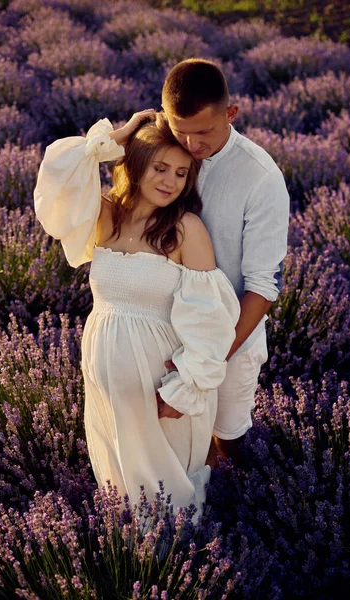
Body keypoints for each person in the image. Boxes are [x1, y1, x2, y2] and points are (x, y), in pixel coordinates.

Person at [34, 111, 240, 516]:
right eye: (160, 167)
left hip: (162, 387)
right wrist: (117, 137)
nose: (170, 181)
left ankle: (185, 572)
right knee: (122, 493)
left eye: (181, 173)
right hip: (105, 379)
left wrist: (188, 386)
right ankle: (131, 571)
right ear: (137, 164)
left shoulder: (185, 229)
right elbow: (57, 177)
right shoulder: (106, 214)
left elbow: (211, 320)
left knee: (171, 500)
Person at [161, 59, 290, 465]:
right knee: (174, 446)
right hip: (165, 329)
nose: (191, 145)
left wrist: (206, 363)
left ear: (230, 114)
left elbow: (263, 287)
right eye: (180, 130)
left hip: (231, 339)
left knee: (224, 441)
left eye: (203, 132)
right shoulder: (164, 148)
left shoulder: (260, 178)